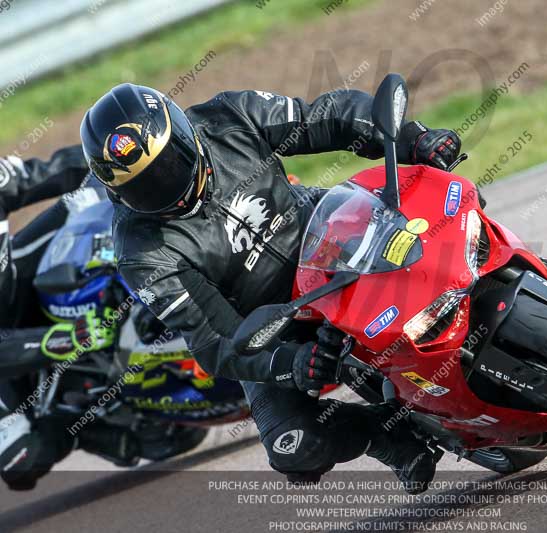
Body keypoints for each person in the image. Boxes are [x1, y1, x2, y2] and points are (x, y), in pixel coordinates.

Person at [79, 83, 462, 494]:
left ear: (184, 132)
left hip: (328, 239)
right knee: (293, 448)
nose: (167, 185)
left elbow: (325, 116)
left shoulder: (228, 116)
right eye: (145, 186)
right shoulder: (143, 253)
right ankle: (387, 435)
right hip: (269, 322)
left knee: (438, 224)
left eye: (171, 163)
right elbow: (215, 340)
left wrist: (414, 139)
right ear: (117, 191)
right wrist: (290, 362)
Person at [0, 146, 122, 490]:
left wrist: (111, 154)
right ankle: (82, 422)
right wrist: (62, 340)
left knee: (93, 196)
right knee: (20, 461)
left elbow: (56, 169)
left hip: (22, 279)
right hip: (7, 355)